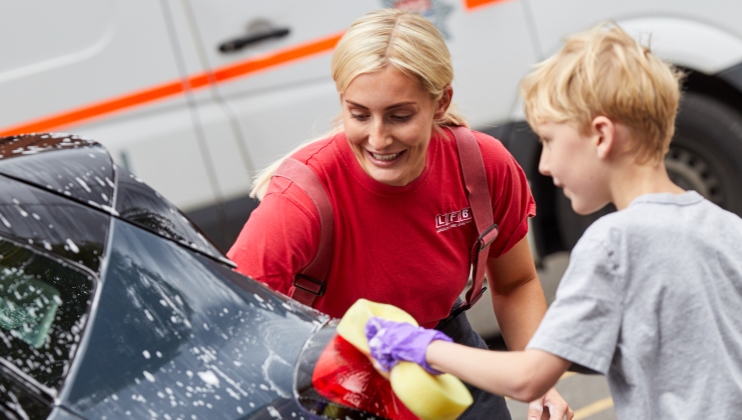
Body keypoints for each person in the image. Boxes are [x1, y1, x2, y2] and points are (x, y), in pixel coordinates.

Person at [363, 21, 742, 419]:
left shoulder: (612, 244)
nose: (543, 165)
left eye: (548, 139)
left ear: (601, 136)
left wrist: (424, 347)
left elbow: (530, 378)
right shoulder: (727, 227)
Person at [228, 8, 572, 420]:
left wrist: (541, 387)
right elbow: (235, 323)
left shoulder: (482, 167)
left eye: (399, 116)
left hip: (446, 361)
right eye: (359, 114)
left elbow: (515, 283)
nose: (378, 138)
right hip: (340, 381)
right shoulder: (300, 199)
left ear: (440, 102)